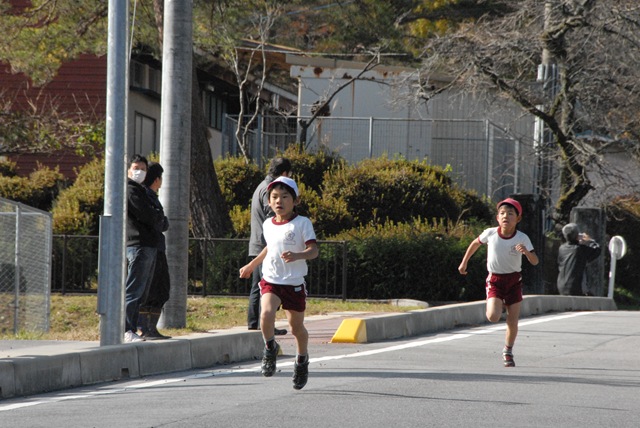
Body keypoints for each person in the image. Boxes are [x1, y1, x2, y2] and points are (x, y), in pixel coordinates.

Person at [239, 176, 318, 390]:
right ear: (269, 201)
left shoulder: (302, 223)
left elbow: (313, 250)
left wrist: (298, 255)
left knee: (296, 327)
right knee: (265, 313)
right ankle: (270, 347)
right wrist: (252, 265)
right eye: (274, 197)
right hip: (271, 279)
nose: (278, 201)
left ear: (295, 200)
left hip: (293, 283)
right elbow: (269, 248)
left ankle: (301, 360)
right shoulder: (268, 224)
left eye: (284, 197)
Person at [458, 198, 539, 367]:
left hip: (514, 281)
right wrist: (464, 262)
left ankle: (508, 351)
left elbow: (535, 261)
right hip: (495, 280)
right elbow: (475, 243)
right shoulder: (491, 233)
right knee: (493, 317)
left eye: (510, 214)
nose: (505, 216)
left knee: (512, 320)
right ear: (497, 218)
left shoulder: (522, 238)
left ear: (518, 218)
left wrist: (526, 252)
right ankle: (499, 303)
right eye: (502, 213)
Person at [247, 157, 292, 336]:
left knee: (258, 287)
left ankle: (255, 323)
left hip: (257, 243)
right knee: (265, 287)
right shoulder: (269, 190)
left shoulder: (261, 186)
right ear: (284, 173)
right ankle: (263, 325)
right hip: (264, 245)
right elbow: (272, 218)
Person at [124, 154, 164, 343]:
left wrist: (158, 218)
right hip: (138, 244)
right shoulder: (131, 190)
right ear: (128, 170)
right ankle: (126, 329)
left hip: (147, 245)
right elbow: (148, 215)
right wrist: (157, 217)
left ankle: (133, 328)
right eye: (135, 168)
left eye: (143, 169)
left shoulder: (142, 191)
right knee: (134, 290)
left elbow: (160, 219)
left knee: (141, 291)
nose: (139, 172)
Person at [138, 162, 171, 340]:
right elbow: (158, 221)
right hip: (150, 247)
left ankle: (152, 328)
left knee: (162, 289)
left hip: (158, 247)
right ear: (157, 179)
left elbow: (163, 222)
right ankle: (144, 328)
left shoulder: (152, 196)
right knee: (150, 290)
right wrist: (162, 221)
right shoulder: (145, 196)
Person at [556, 223, 601, 296]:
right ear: (577, 236)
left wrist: (578, 242)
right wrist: (589, 240)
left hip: (561, 287)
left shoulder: (561, 248)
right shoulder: (579, 249)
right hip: (575, 288)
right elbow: (597, 250)